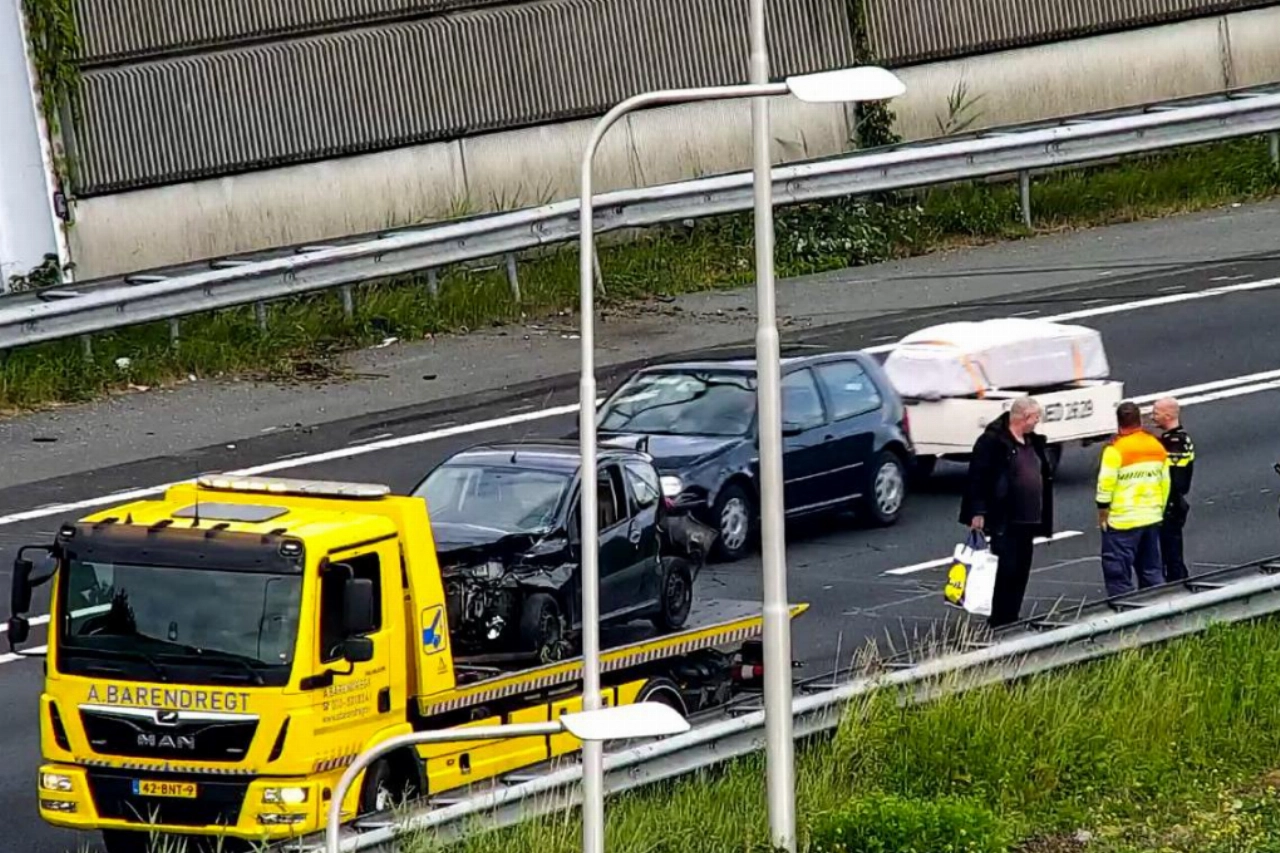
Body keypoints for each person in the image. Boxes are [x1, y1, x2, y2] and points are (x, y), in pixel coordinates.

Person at [958, 396, 1056, 628]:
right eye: (1035, 418)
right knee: (1006, 568)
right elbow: (978, 478)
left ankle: (1012, 615)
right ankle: (1000, 619)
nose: (1037, 422)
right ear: (1024, 417)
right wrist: (978, 512)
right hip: (1005, 517)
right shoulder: (993, 442)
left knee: (1021, 569)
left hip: (1030, 518)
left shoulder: (1033, 442)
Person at [1096, 400, 1171, 597]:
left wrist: (1103, 513)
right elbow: (1165, 483)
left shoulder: (1115, 450)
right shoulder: (1156, 446)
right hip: (1151, 518)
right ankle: (1160, 611)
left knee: (1118, 574)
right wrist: (1158, 511)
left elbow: (1105, 484)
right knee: (1152, 571)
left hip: (1122, 522)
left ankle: (1126, 615)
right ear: (1140, 420)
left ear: (1119, 422)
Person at [1151, 397, 1195, 582]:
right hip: (1174, 504)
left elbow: (1175, 481)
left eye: (1156, 413)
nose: (1152, 417)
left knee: (1171, 555)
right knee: (1171, 553)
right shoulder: (1178, 439)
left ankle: (1178, 588)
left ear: (1168, 415)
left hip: (1170, 506)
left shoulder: (1174, 444)